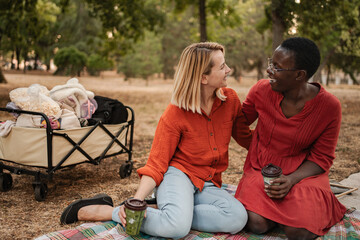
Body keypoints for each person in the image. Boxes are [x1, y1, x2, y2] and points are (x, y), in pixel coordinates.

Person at [60, 42, 253, 238]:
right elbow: (156, 164)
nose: (228, 70)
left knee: (238, 218)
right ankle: (111, 212)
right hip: (178, 176)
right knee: (177, 229)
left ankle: (172, 212)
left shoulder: (230, 100)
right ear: (203, 77)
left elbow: (246, 138)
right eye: (222, 67)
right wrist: (136, 201)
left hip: (208, 182)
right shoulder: (175, 114)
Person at [234, 37, 347, 240]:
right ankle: (282, 212)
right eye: (271, 63)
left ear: (299, 75)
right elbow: (237, 122)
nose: (269, 70)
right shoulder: (261, 90)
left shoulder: (329, 107)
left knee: (300, 232)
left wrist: (291, 180)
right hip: (263, 169)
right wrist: (254, 146)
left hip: (304, 174)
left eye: (277, 67)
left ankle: (292, 211)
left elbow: (322, 157)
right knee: (257, 224)